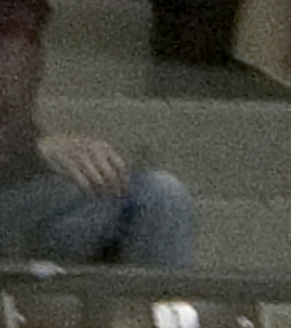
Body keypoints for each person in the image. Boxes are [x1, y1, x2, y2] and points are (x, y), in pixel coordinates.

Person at [0, 0, 195, 266]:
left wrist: (88, 163)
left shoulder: (20, 63)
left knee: (160, 196)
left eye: (29, 35)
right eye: (8, 30)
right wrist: (37, 150)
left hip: (25, 207)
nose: (18, 49)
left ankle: (151, 296)